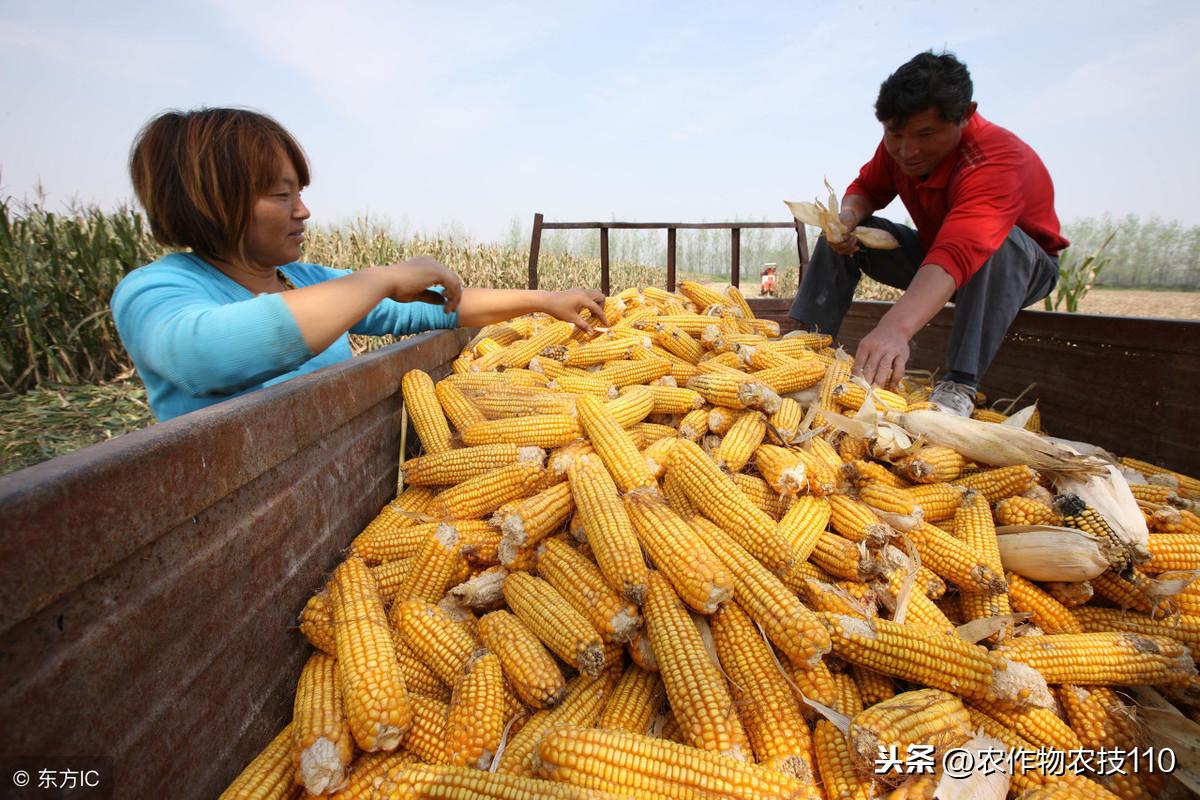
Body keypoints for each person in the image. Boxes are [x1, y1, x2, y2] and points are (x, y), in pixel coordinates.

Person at [112, 108, 605, 421]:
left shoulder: (303, 281)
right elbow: (206, 357)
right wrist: (379, 278)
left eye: (300, 194)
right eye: (283, 195)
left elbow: (439, 309)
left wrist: (543, 301)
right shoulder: (153, 292)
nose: (303, 211)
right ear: (211, 201)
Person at [786, 51, 1067, 416]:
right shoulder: (901, 147)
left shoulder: (996, 159)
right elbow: (867, 188)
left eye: (926, 134)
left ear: (965, 115)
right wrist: (846, 219)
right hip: (935, 255)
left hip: (1016, 268)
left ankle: (959, 384)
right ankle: (806, 345)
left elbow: (961, 250)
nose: (907, 151)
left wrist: (895, 328)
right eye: (894, 134)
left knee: (1000, 243)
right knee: (837, 234)